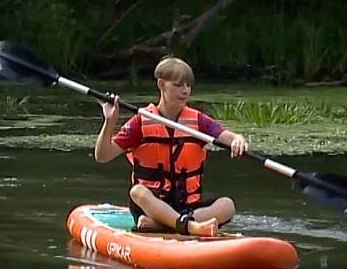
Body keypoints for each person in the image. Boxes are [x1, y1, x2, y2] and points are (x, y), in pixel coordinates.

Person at [93, 55, 248, 238]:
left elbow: (229, 137)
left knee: (227, 205)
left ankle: (165, 225)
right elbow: (102, 155)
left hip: (188, 206)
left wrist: (239, 140)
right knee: (138, 192)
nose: (185, 91)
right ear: (161, 85)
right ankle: (190, 227)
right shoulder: (141, 122)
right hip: (152, 205)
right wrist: (110, 121)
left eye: (188, 86)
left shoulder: (198, 121)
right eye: (178, 85)